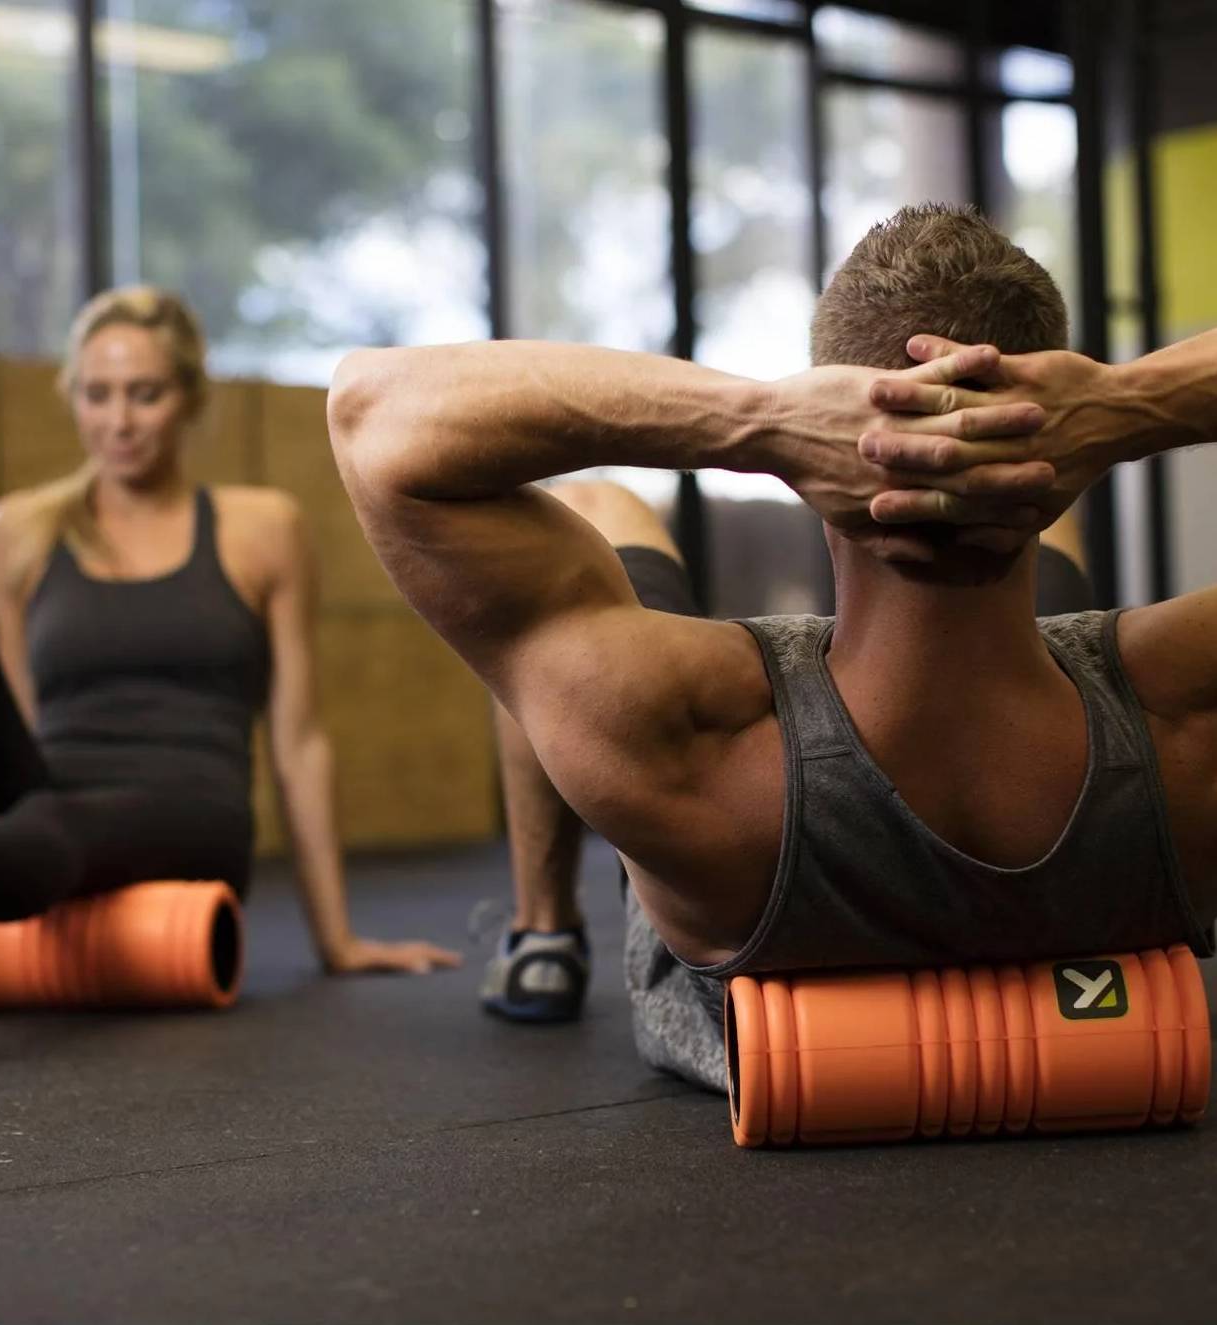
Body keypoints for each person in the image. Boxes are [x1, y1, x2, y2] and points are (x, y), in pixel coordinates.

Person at [324, 203, 1216, 1089]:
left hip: (748, 818)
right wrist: (1126, 405)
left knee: (597, 512)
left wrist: (759, 421)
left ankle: (542, 926)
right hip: (1093, 761)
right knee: (1054, 555)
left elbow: (371, 411)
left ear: (831, 441)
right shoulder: (1183, 705)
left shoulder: (689, 737)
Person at [0, 286, 457, 1038]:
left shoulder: (262, 528)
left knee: (57, 820)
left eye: (144, 394)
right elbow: (17, 717)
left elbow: (299, 743)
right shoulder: (20, 529)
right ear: (73, 398)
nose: (118, 420)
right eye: (97, 394)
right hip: (52, 787)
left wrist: (337, 939)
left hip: (191, 808)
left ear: (189, 397)